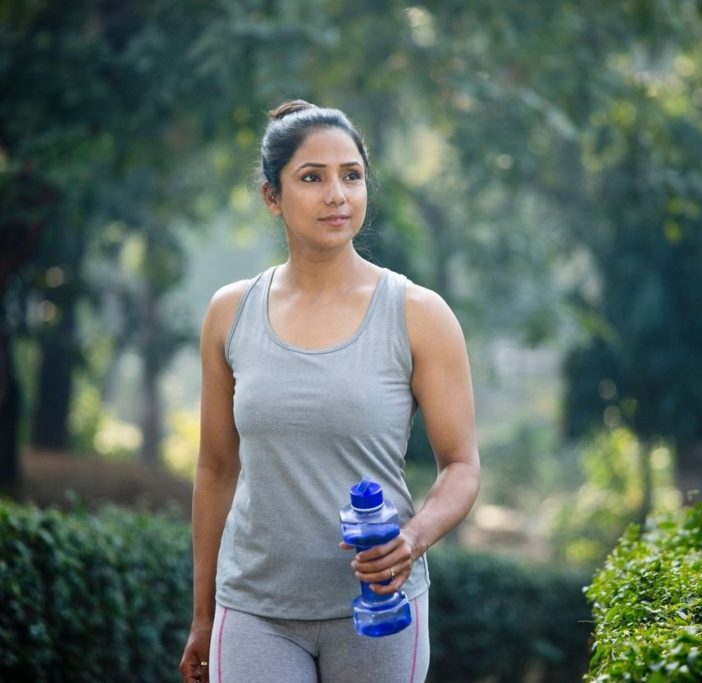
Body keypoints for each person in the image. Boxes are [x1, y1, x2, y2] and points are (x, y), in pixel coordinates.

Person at [179, 99, 480, 683]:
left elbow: (462, 466)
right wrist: (203, 615)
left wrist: (411, 539)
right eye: (311, 178)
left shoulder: (418, 314)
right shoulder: (229, 314)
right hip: (254, 609)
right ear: (273, 196)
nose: (337, 194)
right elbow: (216, 469)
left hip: (380, 609)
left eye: (352, 175)